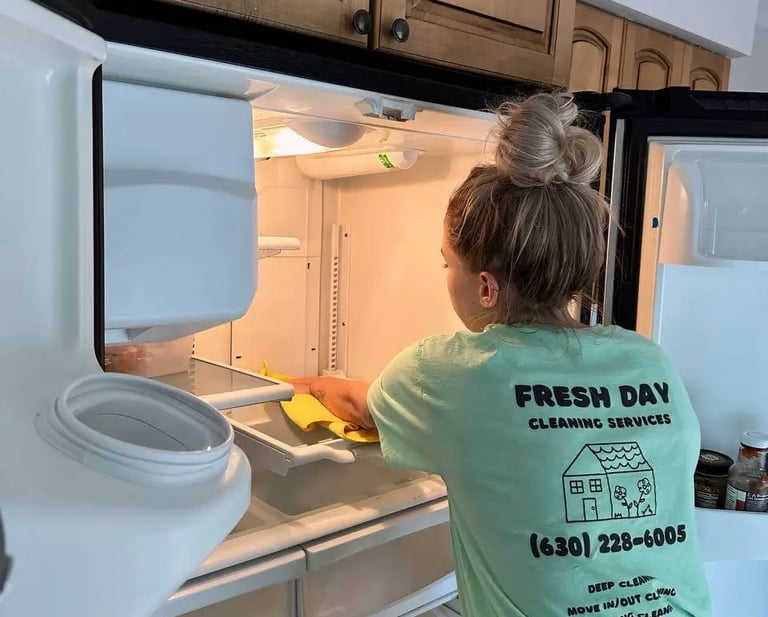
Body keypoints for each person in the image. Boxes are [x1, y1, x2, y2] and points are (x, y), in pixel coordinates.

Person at [293, 92, 710, 617]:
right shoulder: (650, 362)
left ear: (486, 286)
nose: (447, 278)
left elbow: (357, 406)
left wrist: (299, 383)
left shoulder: (449, 373)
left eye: (447, 263)